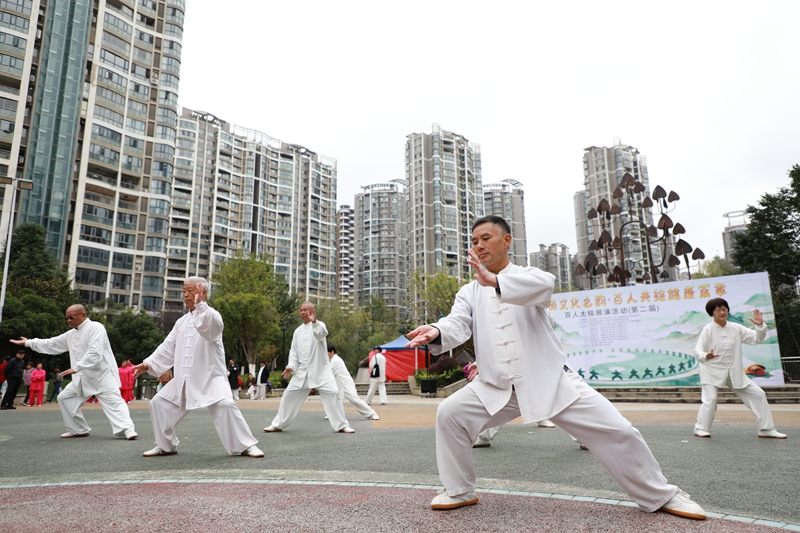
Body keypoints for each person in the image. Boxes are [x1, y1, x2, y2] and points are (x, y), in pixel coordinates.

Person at [406, 215, 705, 520]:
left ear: (507, 240)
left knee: (619, 431)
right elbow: (458, 322)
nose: (479, 245)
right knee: (450, 413)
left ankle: (660, 494)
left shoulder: (528, 275)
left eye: (486, 238)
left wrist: (495, 281)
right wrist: (436, 330)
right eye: (474, 241)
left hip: (548, 380)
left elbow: (544, 286)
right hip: (496, 385)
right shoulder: (469, 292)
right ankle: (459, 490)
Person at [132, 277, 263, 458]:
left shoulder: (213, 316)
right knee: (158, 403)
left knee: (225, 404)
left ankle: (246, 446)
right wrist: (148, 363)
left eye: (190, 290)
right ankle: (166, 446)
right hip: (184, 380)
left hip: (210, 378)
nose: (186, 295)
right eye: (184, 291)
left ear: (203, 292)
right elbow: (168, 347)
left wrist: (201, 306)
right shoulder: (181, 322)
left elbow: (208, 330)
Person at [11, 305, 138, 440]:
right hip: (82, 378)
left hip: (102, 376)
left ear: (83, 315)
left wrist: (77, 367)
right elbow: (51, 344)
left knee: (114, 402)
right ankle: (78, 429)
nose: (69, 321)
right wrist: (29, 343)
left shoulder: (96, 327)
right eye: (66, 318)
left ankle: (127, 429)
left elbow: (95, 352)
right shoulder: (70, 334)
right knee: (64, 398)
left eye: (71, 317)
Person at [693, 298, 786, 439]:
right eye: (718, 310)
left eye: (724, 309)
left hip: (733, 371)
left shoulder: (736, 328)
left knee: (758, 394)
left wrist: (760, 326)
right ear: (712, 313)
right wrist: (707, 355)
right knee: (710, 399)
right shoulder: (708, 330)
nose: (722, 312)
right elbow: (697, 350)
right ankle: (700, 428)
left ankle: (766, 429)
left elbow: (755, 339)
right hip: (711, 371)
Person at [264, 302, 355, 434]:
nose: (302, 312)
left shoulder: (320, 325)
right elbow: (293, 352)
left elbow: (321, 334)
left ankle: (342, 425)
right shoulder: (297, 332)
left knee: (333, 393)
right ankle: (278, 424)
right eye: (300, 310)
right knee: (288, 395)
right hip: (302, 373)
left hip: (321, 372)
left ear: (312, 310)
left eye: (305, 310)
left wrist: (315, 322)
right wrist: (291, 367)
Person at [328, 345, 379, 421]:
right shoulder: (332, 360)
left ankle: (372, 413)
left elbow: (328, 373)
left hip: (346, 384)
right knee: (333, 398)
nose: (326, 355)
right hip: (340, 384)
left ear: (332, 352)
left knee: (355, 400)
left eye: (327, 353)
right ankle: (332, 414)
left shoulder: (336, 360)